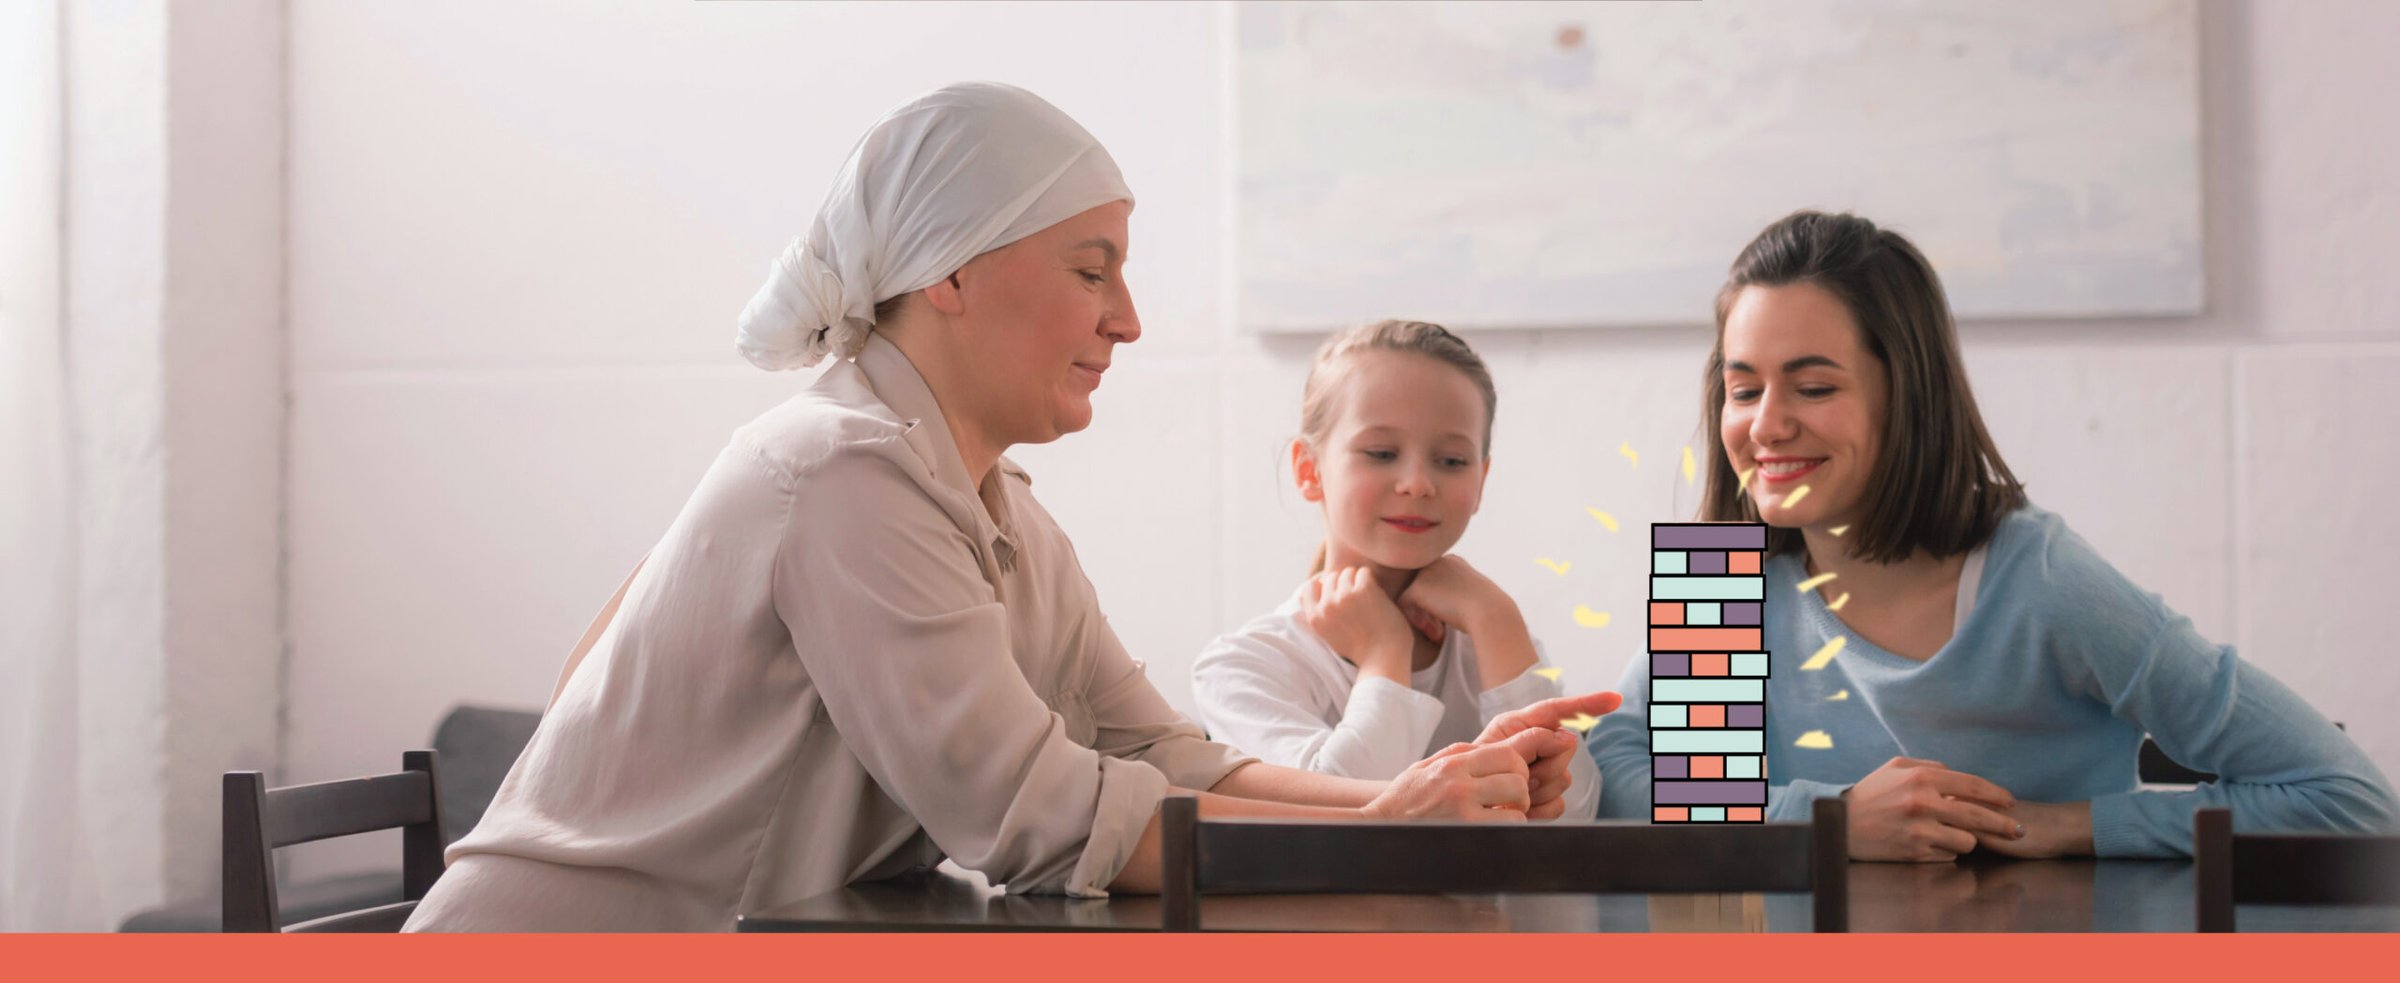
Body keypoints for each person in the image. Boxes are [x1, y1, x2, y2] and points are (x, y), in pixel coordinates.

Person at [402, 83, 1611, 932]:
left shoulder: (995, 510)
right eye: (1092, 269)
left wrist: (1410, 800)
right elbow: (1041, 819)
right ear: (950, 270)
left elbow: (1152, 752)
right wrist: (1391, 821)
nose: (1127, 318)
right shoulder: (843, 473)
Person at [1588, 210, 2397, 860]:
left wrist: (2067, 825)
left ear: (1907, 394)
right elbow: (1621, 781)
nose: (1767, 424)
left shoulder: (2036, 580)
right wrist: (1830, 820)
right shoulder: (1726, 579)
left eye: (1814, 386)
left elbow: (2346, 798)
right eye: (1743, 389)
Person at [1193, 320, 1604, 819]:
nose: (1417, 483)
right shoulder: (1244, 667)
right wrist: (1384, 654)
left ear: (1481, 479)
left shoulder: (1492, 639)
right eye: (1382, 453)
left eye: (1451, 460)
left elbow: (1573, 819)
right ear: (1308, 469)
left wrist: (1496, 618)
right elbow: (1341, 826)